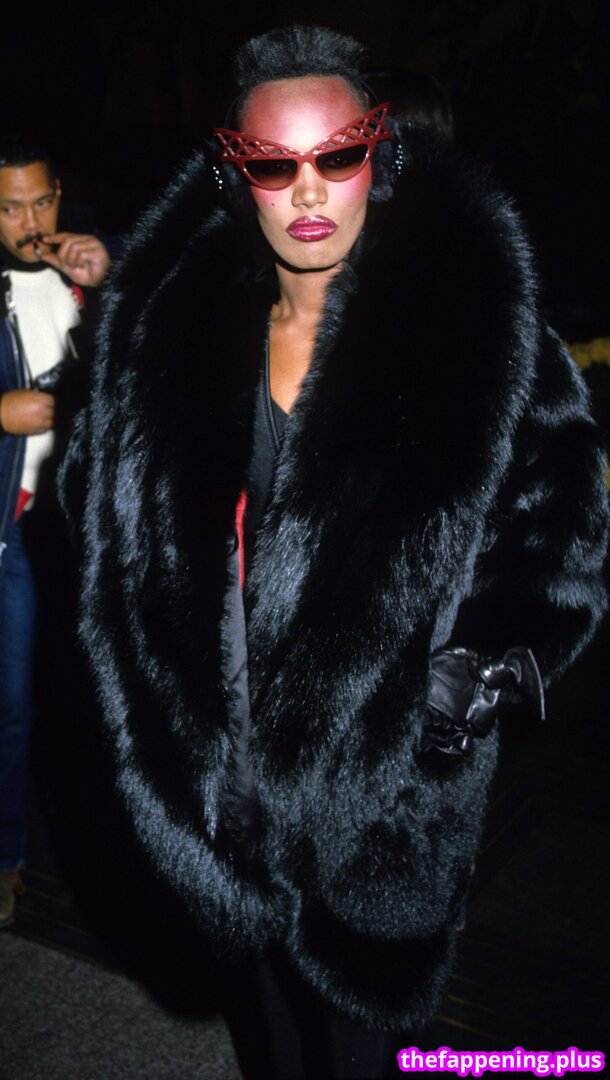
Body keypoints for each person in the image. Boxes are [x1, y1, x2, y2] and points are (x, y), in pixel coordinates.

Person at [60, 26, 608, 1080]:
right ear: (236, 176)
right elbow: (103, 522)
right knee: (269, 1043)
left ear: (380, 159)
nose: (308, 191)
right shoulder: (167, 337)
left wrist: (480, 666)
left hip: (382, 797)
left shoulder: (477, 339)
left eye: (338, 155)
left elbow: (564, 538)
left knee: (358, 1054)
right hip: (218, 789)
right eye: (274, 165)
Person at [0, 136, 111, 928]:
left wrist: (111, 283)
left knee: (92, 702)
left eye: (41, 201)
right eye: (10, 208)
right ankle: (5, 856)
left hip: (86, 526)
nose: (31, 221)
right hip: (14, 529)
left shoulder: (79, 269)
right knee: (12, 705)